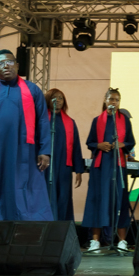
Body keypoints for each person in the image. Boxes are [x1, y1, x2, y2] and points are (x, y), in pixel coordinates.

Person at [0, 50, 53, 221]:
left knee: (26, 191)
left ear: (17, 65)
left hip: (25, 151)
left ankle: (27, 233)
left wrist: (45, 151)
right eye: (0, 63)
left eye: (10, 62)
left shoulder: (32, 90)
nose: (6, 66)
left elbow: (43, 121)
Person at [82, 88, 136, 251]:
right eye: (111, 99)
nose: (114, 102)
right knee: (97, 202)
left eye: (117, 100)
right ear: (105, 100)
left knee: (120, 202)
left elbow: (131, 141)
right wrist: (99, 145)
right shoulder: (97, 120)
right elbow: (90, 142)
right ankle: (95, 241)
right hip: (101, 167)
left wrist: (123, 144)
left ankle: (121, 241)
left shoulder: (125, 121)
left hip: (118, 166)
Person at [44, 88, 84, 222]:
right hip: (45, 166)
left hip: (64, 167)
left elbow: (76, 147)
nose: (58, 100)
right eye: (54, 97)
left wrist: (79, 170)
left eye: (61, 98)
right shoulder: (42, 120)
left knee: (63, 198)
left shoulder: (70, 122)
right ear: (48, 100)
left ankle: (61, 229)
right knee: (46, 195)